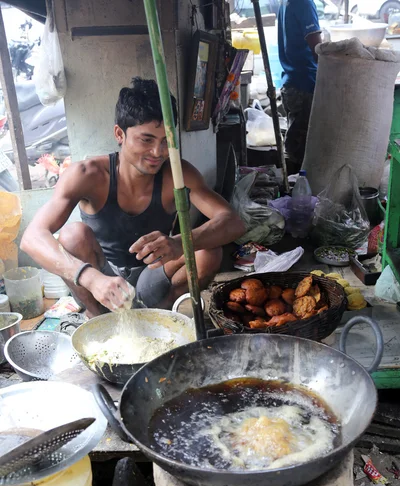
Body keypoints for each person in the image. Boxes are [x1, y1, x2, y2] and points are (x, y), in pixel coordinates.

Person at [21, 77, 245, 317]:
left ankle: (159, 317)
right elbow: (31, 238)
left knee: (208, 251)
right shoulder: (86, 175)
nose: (158, 153)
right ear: (120, 134)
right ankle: (99, 322)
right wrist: (91, 277)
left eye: (166, 141)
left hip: (154, 271)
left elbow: (233, 222)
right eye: (146, 140)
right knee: (73, 236)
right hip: (103, 277)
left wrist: (179, 243)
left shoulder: (177, 173)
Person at [277, 0, 322, 172]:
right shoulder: (304, 2)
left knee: (295, 143)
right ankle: (297, 193)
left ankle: (293, 188)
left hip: (291, 82)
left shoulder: (286, 2)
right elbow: (318, 50)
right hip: (305, 84)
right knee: (302, 151)